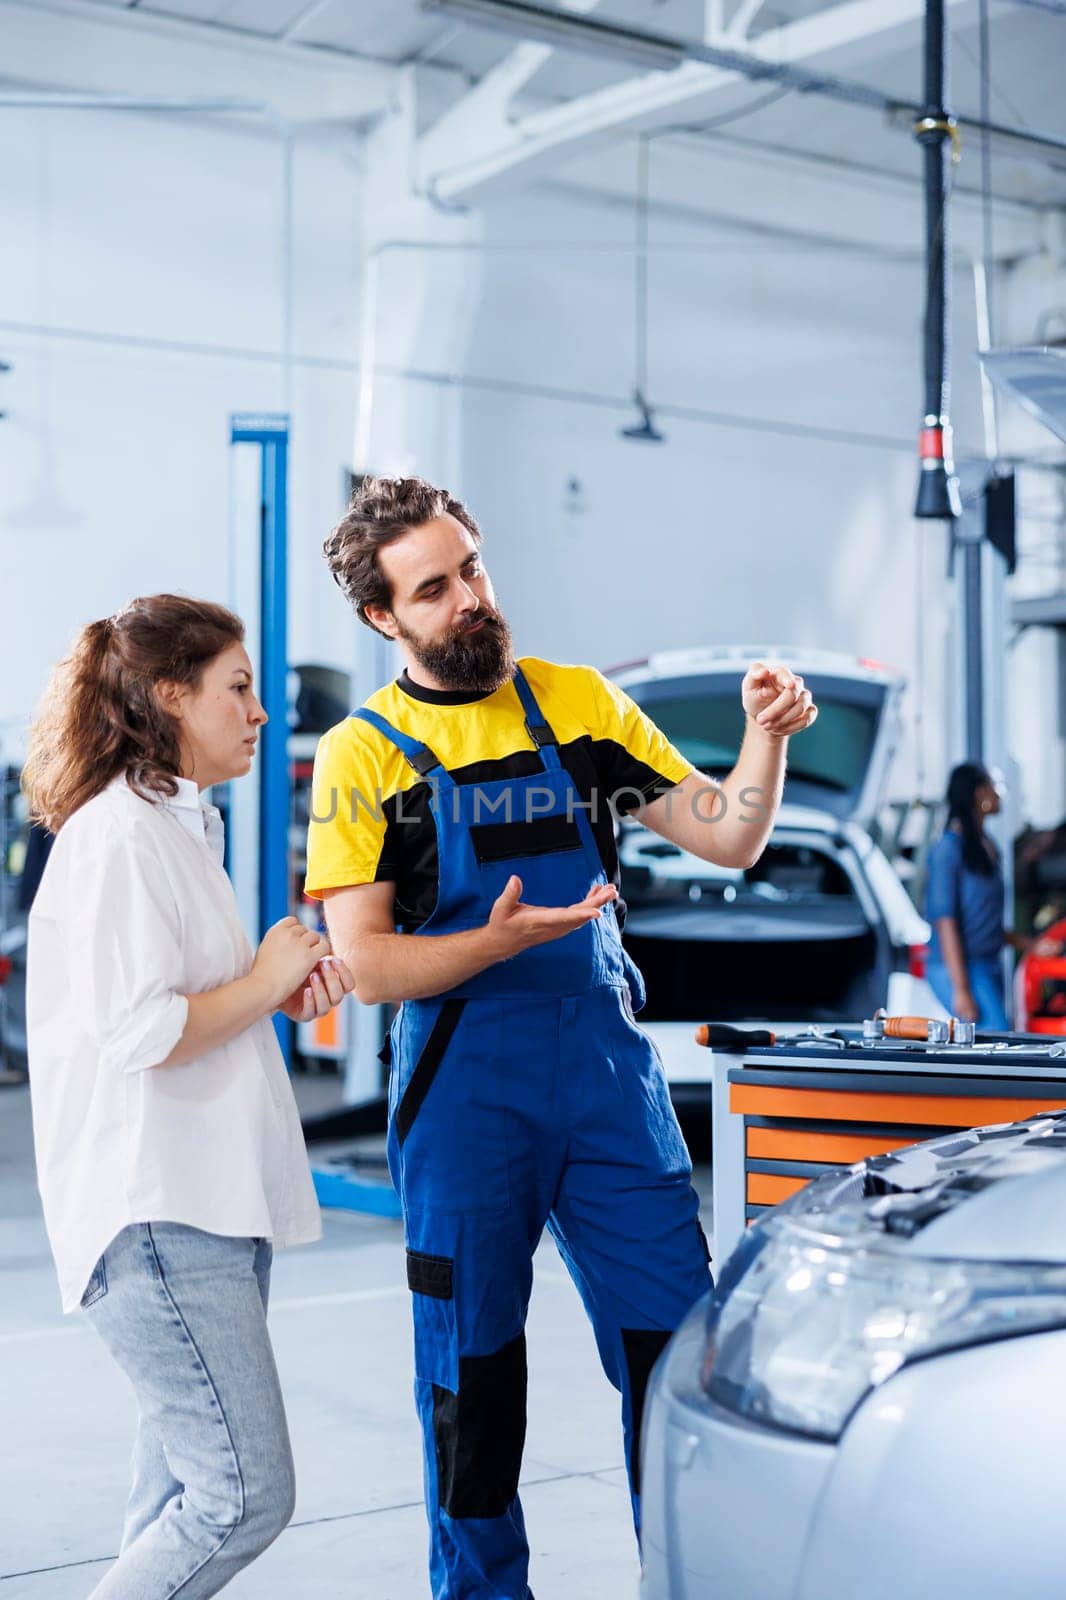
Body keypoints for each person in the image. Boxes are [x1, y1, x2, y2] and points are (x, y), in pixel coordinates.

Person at [307, 476, 818, 1600]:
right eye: (433, 589)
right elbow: (369, 960)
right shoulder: (363, 753)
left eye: (473, 568)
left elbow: (728, 838)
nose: (468, 598)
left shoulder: (577, 702)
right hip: (460, 1096)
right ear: (384, 618)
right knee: (471, 1382)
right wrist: (491, 944)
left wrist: (761, 737)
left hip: (605, 1083)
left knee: (675, 1352)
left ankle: (693, 1578)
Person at [23, 594, 354, 1600]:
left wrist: (271, 996)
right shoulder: (120, 835)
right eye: (239, 689)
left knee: (171, 1504)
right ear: (171, 695)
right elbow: (141, 1031)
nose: (261, 712)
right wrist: (261, 979)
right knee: (242, 1495)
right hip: (160, 1215)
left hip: (204, 1205)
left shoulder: (175, 827)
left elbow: (186, 1003)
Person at [925, 761, 1061, 1029]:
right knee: (995, 1038)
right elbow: (946, 923)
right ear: (979, 793)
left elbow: (984, 923)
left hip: (988, 965)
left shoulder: (985, 848)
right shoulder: (948, 850)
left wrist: (1030, 945)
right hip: (961, 968)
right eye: (995, 787)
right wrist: (961, 989)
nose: (999, 795)